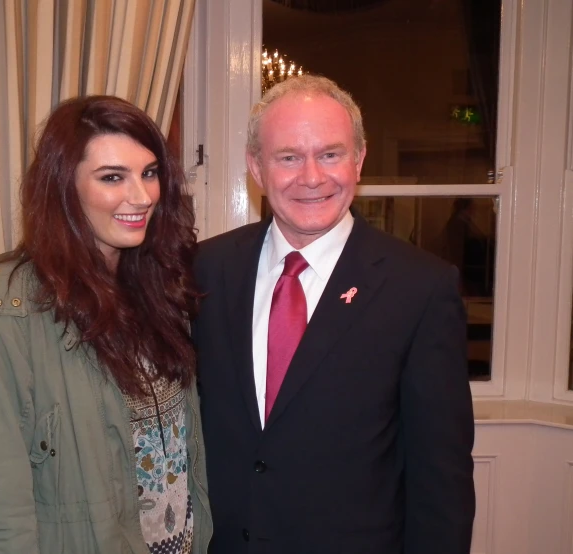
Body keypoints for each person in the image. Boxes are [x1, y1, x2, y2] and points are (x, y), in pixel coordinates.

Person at [192, 75, 475, 553]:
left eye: (330, 154)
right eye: (288, 157)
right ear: (256, 167)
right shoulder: (203, 270)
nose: (312, 177)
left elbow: (440, 478)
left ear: (359, 160)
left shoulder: (421, 288)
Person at [0, 96, 211, 554]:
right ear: (64, 186)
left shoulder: (162, 288)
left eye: (149, 173)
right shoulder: (7, 308)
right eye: (112, 177)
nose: (142, 197)